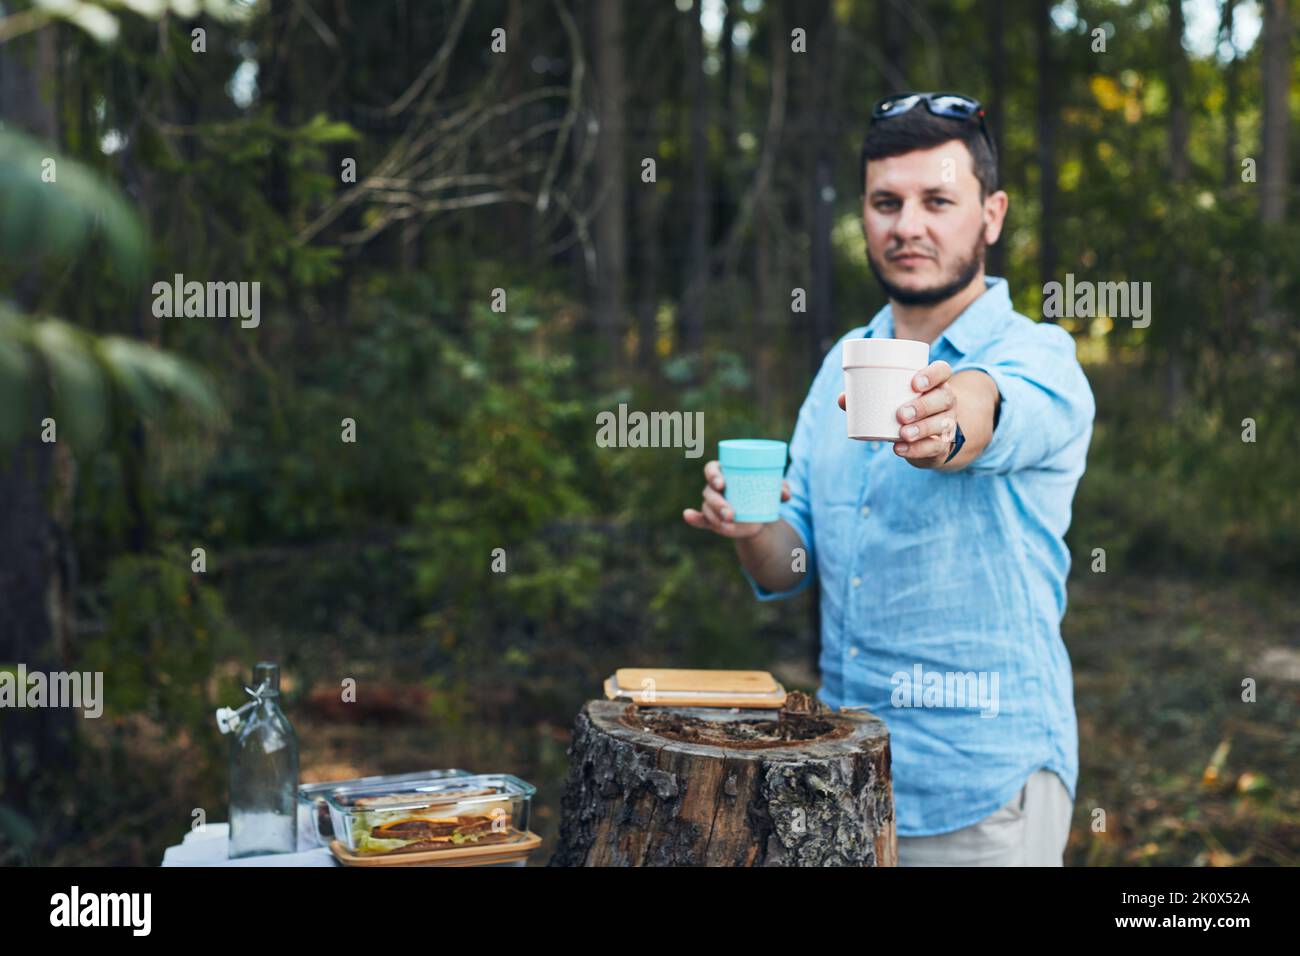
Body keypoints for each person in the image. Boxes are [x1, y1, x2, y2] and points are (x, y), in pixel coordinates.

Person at [683, 93, 1095, 866]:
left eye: (938, 200)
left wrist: (946, 423)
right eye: (886, 202)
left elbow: (989, 410)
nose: (909, 225)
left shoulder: (1039, 357)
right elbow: (787, 563)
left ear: (992, 215)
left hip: (984, 792)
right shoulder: (842, 362)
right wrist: (752, 528)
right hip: (844, 788)